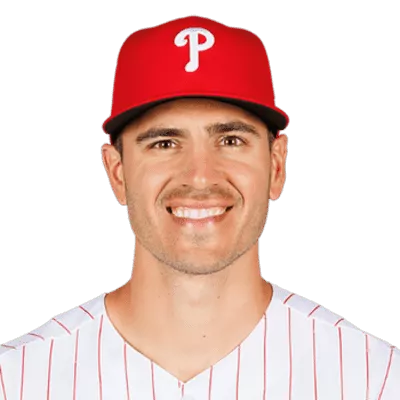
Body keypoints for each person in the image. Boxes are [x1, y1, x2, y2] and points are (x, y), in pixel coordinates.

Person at [0, 14, 398, 400]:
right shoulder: (16, 381)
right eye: (164, 143)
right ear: (117, 173)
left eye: (230, 140)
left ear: (277, 166)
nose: (201, 176)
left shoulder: (375, 381)